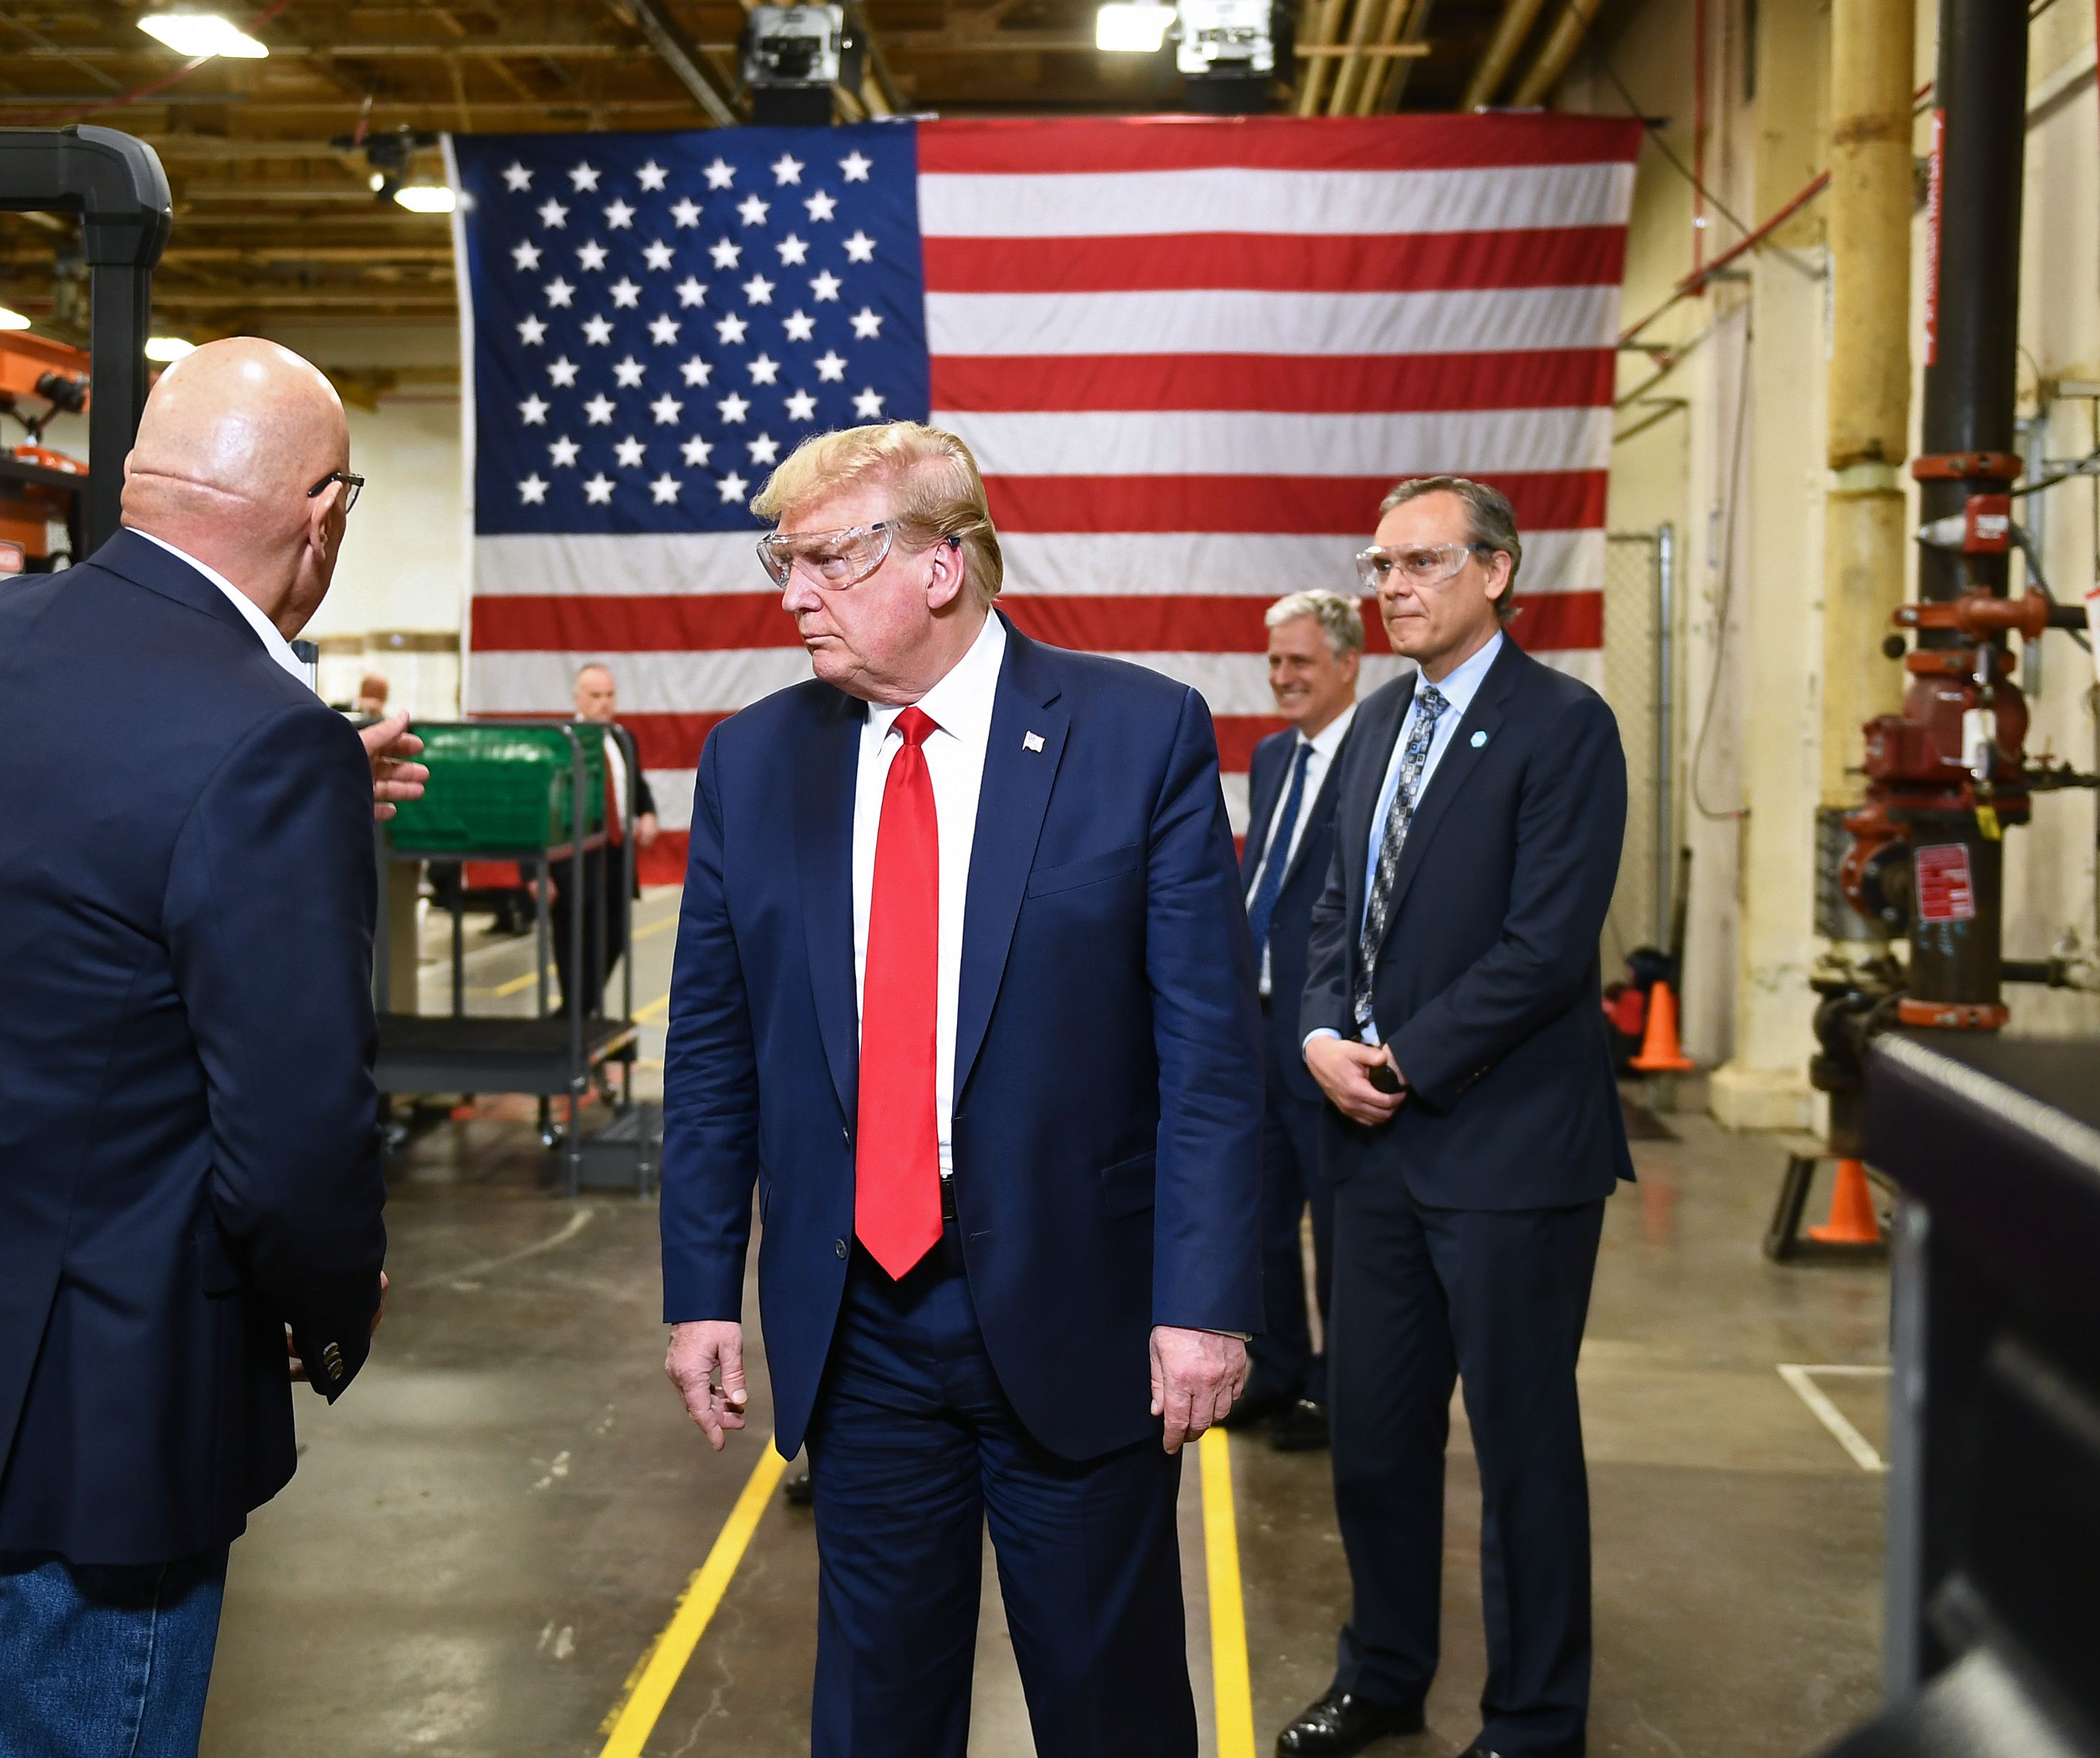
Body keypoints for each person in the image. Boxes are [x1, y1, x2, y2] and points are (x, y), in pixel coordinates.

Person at [0, 338, 420, 1758]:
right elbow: (292, 1135)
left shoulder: (1, 645)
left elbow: (76, 915)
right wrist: (335, 1299)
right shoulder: (270, 743)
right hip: (107, 1376)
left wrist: (298, 836)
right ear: (322, 513)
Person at [659, 421, 1262, 1758]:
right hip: (859, 1312)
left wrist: (1204, 1303)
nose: (790, 593)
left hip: (1077, 1311)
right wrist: (701, 1285)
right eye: (783, 559)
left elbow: (1210, 1056)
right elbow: (711, 1049)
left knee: (1106, 1702)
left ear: (942, 565)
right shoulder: (754, 762)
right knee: (875, 1709)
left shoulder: (1135, 734)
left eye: (825, 557)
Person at [1276, 477, 1632, 1758]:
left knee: (1521, 1450)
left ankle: (1534, 1716)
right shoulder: (1374, 727)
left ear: (1495, 571)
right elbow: (1328, 908)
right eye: (1378, 566)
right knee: (1371, 1438)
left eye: (1420, 562)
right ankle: (1381, 1676)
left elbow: (1543, 950)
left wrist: (1401, 1056)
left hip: (1509, 1146)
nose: (1392, 587)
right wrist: (1321, 1035)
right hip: (1370, 1147)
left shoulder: (1563, 726)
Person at [1227, 588, 1363, 1453]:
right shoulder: (1276, 757)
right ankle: (1275, 1370)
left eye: (1301, 662)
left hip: (1325, 1027)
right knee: (1261, 1213)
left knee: (1340, 1224)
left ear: (1349, 664)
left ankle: (1340, 1390)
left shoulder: (1377, 757)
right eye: (1275, 661)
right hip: (1257, 1021)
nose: (1283, 677)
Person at [551, 661, 659, 1016]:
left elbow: (636, 787)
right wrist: (533, 873)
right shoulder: (561, 743)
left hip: (616, 858)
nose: (604, 703)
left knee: (614, 938)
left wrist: (648, 814)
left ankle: (578, 1014)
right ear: (578, 698)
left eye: (610, 695)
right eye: (596, 696)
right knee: (575, 944)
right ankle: (577, 1018)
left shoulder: (623, 739)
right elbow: (542, 806)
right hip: (575, 862)